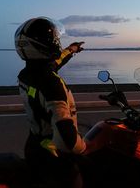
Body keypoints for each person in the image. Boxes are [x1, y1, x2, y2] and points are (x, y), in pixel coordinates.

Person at [14, 17, 87, 188]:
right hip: (53, 154)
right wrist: (83, 147)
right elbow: (66, 139)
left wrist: (72, 49)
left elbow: (54, 63)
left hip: (35, 145)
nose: (56, 42)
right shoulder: (50, 83)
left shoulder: (27, 74)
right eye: (52, 39)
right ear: (38, 45)